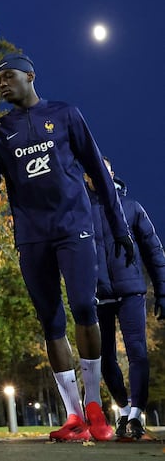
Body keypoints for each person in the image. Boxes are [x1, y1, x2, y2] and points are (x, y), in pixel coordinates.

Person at [0, 53, 135, 442]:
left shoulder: (65, 114)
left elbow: (97, 169)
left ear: (30, 76)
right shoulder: (1, 130)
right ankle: (74, 415)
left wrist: (119, 229)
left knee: (83, 306)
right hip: (32, 235)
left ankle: (95, 406)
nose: (2, 83)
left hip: (73, 228)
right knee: (50, 320)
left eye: (9, 76)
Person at [86, 157, 165, 440]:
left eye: (103, 169)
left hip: (131, 291)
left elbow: (154, 251)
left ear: (111, 173)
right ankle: (123, 408)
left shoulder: (132, 208)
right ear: (87, 177)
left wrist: (162, 290)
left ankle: (136, 416)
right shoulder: (80, 211)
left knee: (137, 352)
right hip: (99, 296)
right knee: (105, 357)